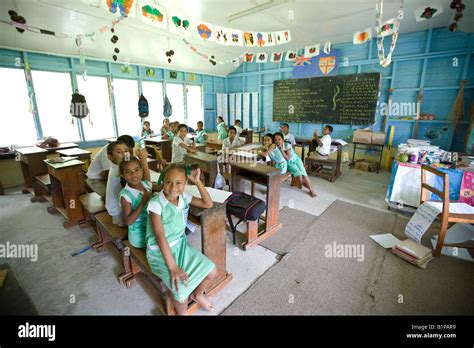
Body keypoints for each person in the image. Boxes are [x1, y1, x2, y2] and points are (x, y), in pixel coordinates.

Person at [146, 164, 217, 315]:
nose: (173, 187)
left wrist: (197, 182)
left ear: (185, 184)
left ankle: (197, 294)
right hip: (159, 252)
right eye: (168, 182)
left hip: (180, 246)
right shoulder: (156, 204)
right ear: (162, 182)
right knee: (180, 294)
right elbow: (160, 237)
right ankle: (182, 312)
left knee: (212, 271)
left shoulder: (183, 197)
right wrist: (173, 268)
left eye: (179, 183)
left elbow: (208, 204)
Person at [106, 141, 149, 226]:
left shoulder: (120, 167)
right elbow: (147, 184)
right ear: (110, 157)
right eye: (119, 152)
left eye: (126, 151)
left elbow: (146, 184)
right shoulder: (119, 173)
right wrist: (144, 161)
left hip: (122, 207)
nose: (124, 155)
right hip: (118, 214)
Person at [119, 156, 154, 249]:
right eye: (128, 172)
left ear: (142, 170)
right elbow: (127, 221)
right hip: (139, 234)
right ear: (122, 175)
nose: (134, 175)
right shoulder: (126, 196)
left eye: (136, 170)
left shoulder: (146, 184)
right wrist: (143, 202)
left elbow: (160, 187)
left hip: (150, 226)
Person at [274, 132, 316, 198]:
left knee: (304, 174)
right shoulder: (275, 147)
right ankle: (310, 187)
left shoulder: (287, 145)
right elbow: (286, 160)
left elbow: (288, 158)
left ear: (282, 139)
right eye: (275, 140)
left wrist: (281, 149)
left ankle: (311, 190)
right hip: (289, 164)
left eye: (279, 139)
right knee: (300, 179)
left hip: (296, 160)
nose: (277, 141)